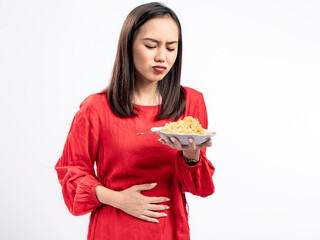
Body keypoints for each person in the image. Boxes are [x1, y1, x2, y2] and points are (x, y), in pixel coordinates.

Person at [55, 2, 215, 239]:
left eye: (171, 48)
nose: (162, 57)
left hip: (169, 230)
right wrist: (118, 199)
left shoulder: (190, 102)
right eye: (151, 45)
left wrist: (191, 157)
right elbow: (71, 173)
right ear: (128, 45)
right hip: (113, 228)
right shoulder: (96, 108)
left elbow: (199, 187)